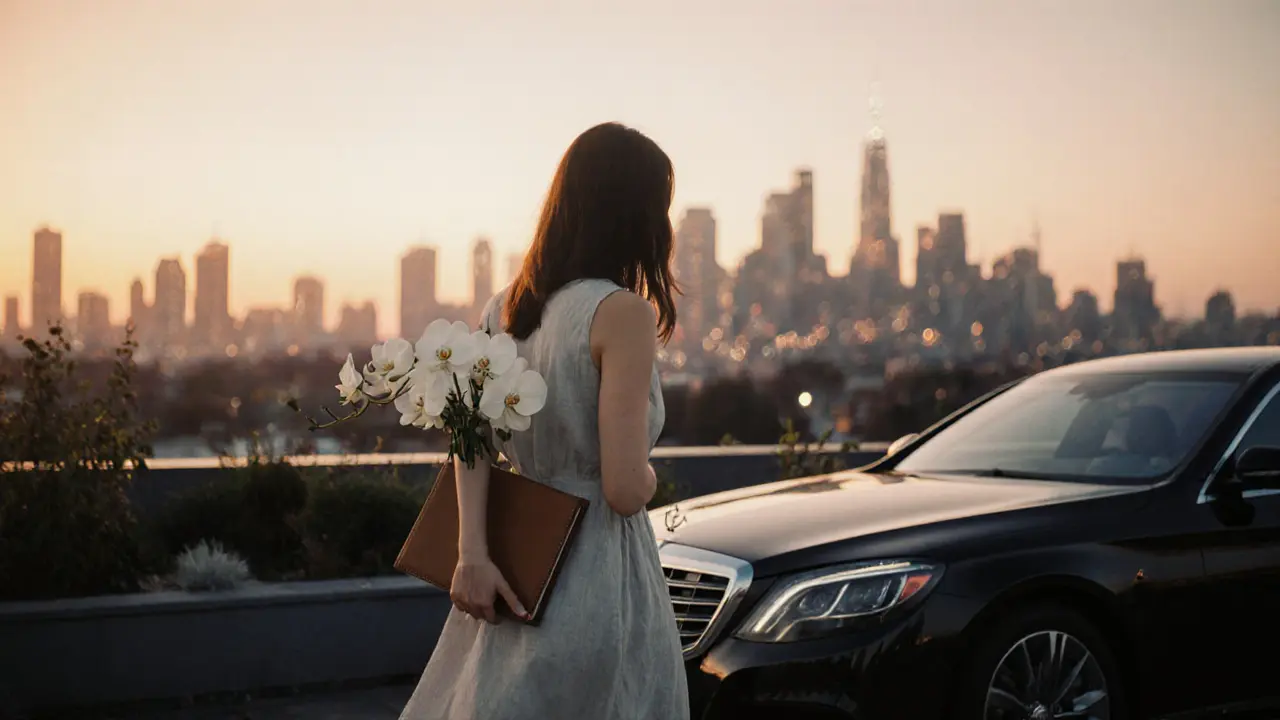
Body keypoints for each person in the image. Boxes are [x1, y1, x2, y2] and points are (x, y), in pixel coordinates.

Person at [399, 122, 689, 720]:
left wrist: (471, 555)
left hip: (515, 566)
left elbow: (469, 443)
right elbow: (625, 490)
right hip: (597, 573)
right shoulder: (622, 313)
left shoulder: (502, 308)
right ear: (636, 215)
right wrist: (649, 476)